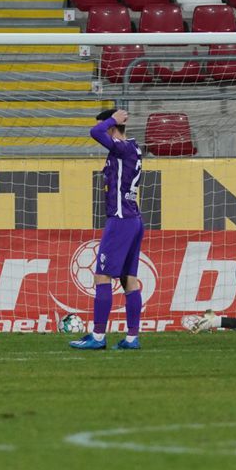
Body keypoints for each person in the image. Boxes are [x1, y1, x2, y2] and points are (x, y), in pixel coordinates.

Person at [70, 108, 144, 351]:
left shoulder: (121, 148)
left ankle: (98, 337)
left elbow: (95, 131)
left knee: (102, 275)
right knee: (128, 279)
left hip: (121, 219)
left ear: (113, 128)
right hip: (133, 219)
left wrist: (112, 120)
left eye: (107, 126)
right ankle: (132, 339)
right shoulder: (131, 149)